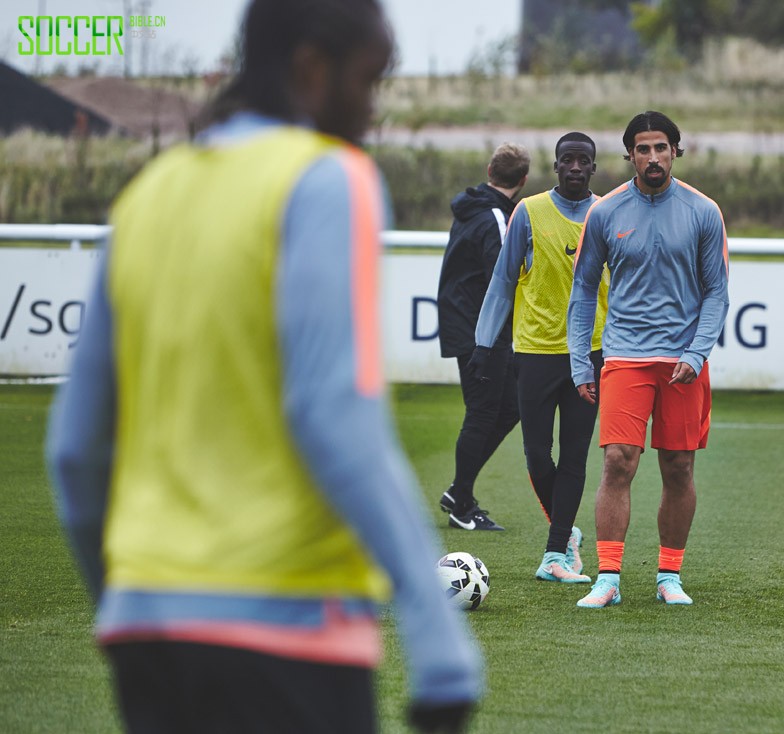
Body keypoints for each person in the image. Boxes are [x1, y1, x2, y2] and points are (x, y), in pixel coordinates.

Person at [44, 1, 481, 732]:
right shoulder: (328, 179)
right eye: (368, 81)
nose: (371, 110)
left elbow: (75, 450)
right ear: (312, 69)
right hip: (286, 629)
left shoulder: (151, 193)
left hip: (146, 632)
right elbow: (334, 415)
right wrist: (438, 641)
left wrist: (126, 604)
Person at [567, 111, 730, 608]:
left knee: (678, 467)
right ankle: (608, 578)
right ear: (630, 155)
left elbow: (716, 294)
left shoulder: (704, 211)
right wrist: (580, 361)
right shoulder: (606, 212)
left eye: (662, 147)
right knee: (618, 461)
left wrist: (697, 352)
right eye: (643, 149)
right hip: (625, 356)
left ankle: (669, 576)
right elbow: (582, 290)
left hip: (683, 359)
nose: (653, 157)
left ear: (676, 151)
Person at [474, 132, 608, 584]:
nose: (574, 167)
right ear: (556, 166)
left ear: (593, 167)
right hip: (533, 352)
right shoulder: (528, 212)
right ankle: (567, 531)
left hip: (589, 355)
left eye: (582, 161)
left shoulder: (607, 213)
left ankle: (554, 554)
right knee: (536, 456)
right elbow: (502, 279)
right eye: (566, 160)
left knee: (574, 456)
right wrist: (483, 342)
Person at [436, 142, 531, 531]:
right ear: (523, 180)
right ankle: (461, 503)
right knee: (484, 412)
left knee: (509, 407)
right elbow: (503, 276)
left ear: (490, 169)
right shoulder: (495, 217)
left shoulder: (475, 207)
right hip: (480, 329)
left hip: (472, 323)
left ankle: (459, 491)